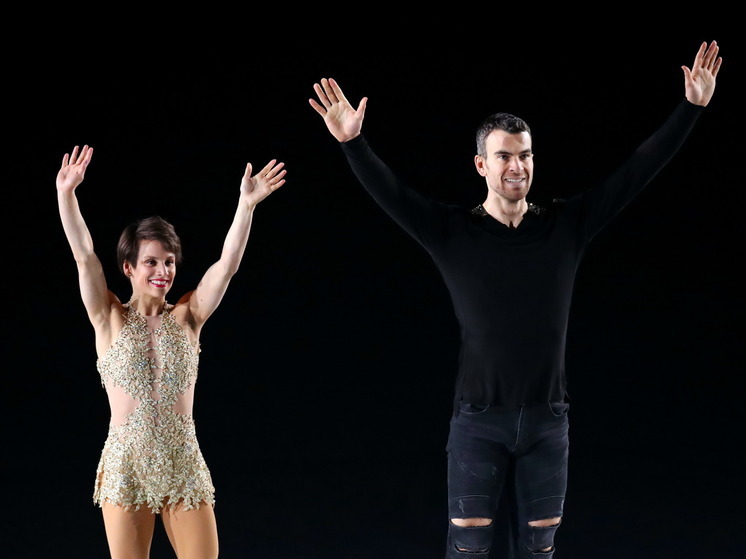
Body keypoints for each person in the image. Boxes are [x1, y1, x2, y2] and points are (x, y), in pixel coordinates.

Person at [309, 40, 721, 558]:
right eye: (504, 156)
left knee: (539, 548)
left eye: (524, 155)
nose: (517, 166)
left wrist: (691, 108)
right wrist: (353, 143)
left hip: (548, 421)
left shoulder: (565, 226)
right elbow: (391, 192)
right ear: (481, 165)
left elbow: (636, 171)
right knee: (468, 546)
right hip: (479, 420)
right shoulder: (452, 231)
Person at [56, 145, 286, 559]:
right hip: (126, 465)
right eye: (151, 262)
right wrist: (66, 195)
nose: (163, 271)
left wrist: (246, 206)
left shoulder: (188, 317)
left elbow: (227, 265)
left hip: (183, 463)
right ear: (129, 267)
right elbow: (83, 256)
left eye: (169, 262)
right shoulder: (108, 318)